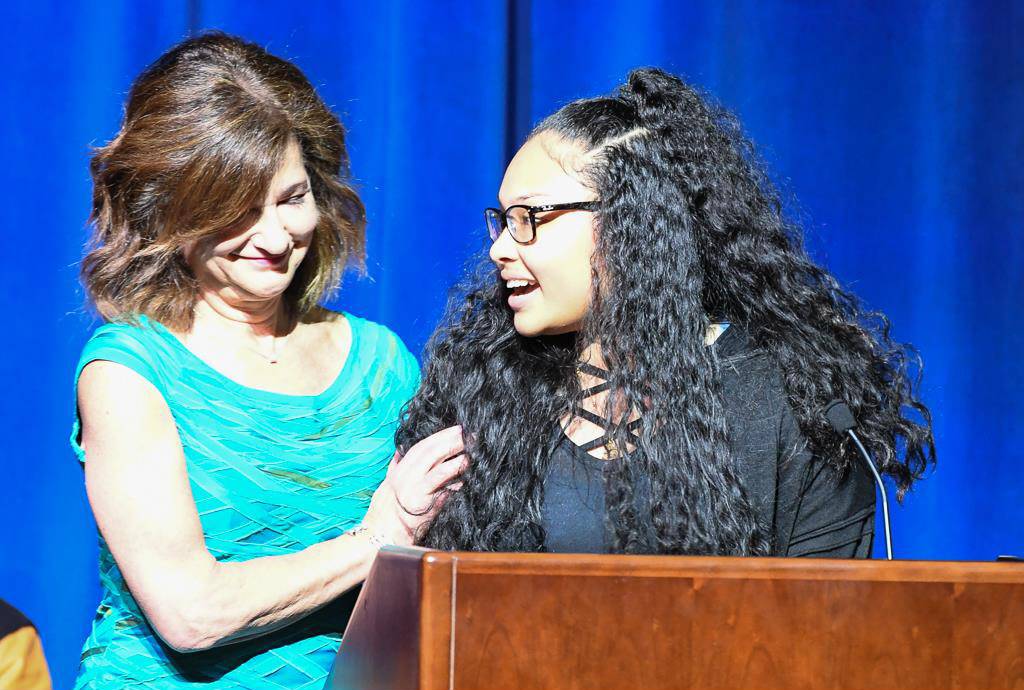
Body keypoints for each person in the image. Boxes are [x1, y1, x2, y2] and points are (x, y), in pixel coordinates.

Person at [397, 68, 935, 557]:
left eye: (529, 217)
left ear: (631, 225)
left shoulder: (788, 403)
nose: (500, 248)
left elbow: (832, 629)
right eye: (503, 220)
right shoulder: (487, 391)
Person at [72, 32, 464, 688]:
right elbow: (191, 613)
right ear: (167, 207)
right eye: (238, 210)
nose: (278, 237)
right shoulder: (129, 371)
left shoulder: (380, 364)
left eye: (291, 198)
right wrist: (376, 539)